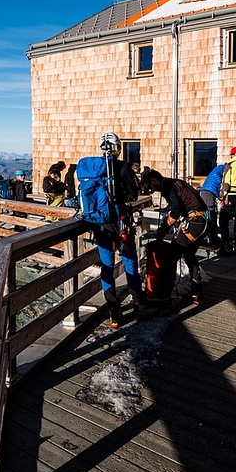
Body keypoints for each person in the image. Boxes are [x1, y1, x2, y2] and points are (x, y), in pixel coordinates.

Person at [85, 132, 145, 328]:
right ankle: (138, 305)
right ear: (117, 148)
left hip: (101, 223)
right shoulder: (123, 167)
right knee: (129, 262)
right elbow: (133, 195)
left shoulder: (95, 169)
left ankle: (113, 311)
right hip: (121, 223)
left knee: (107, 266)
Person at [141, 168, 209, 305]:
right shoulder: (174, 182)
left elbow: (176, 211)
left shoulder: (168, 186)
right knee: (189, 254)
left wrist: (164, 228)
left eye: (150, 187)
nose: (152, 190)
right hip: (203, 222)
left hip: (195, 222)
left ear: (153, 181)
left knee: (172, 256)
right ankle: (197, 293)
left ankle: (165, 295)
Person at [199, 162, 225, 248]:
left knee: (210, 213)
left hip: (208, 191)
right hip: (209, 192)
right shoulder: (221, 171)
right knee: (210, 214)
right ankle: (209, 237)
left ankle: (210, 236)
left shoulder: (218, 169)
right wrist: (222, 185)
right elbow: (218, 180)